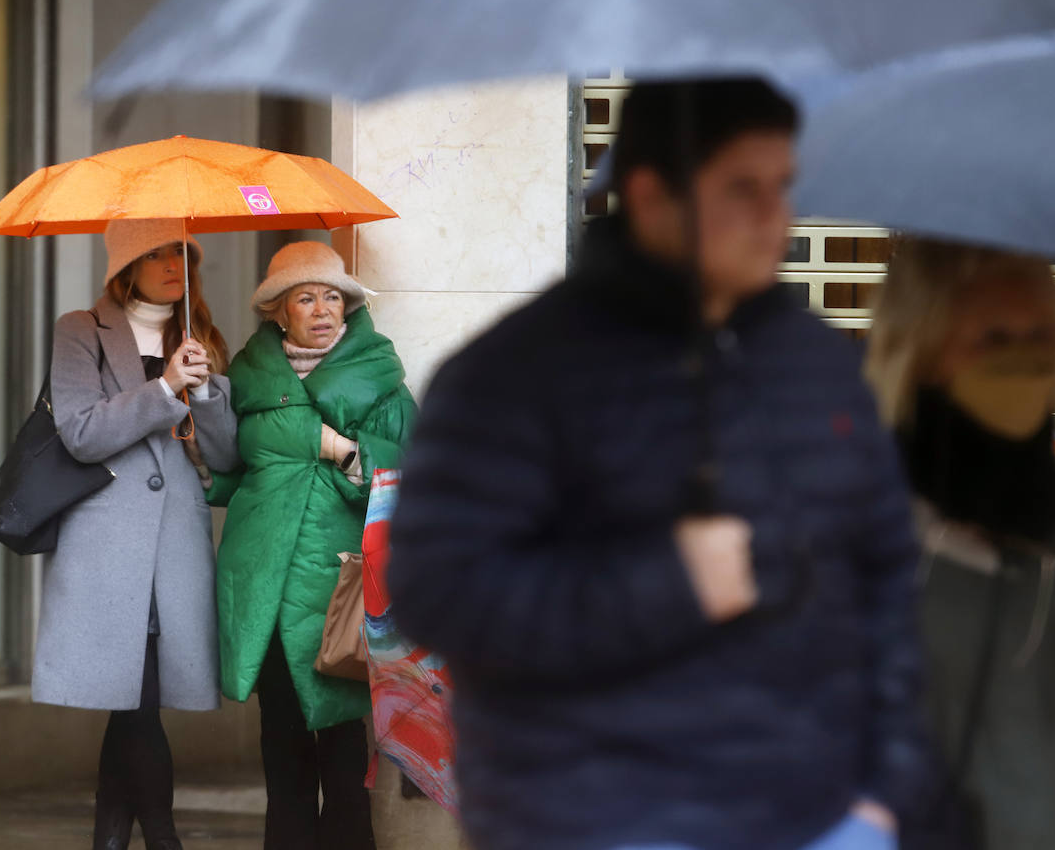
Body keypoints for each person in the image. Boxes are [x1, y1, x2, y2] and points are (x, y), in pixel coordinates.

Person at [386, 79, 930, 850]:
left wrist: (884, 792)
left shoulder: (820, 364)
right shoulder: (512, 375)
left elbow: (889, 579)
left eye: (783, 186)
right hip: (601, 818)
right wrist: (664, 583)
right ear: (649, 194)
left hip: (821, 818)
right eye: (742, 189)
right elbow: (438, 593)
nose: (777, 217)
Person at [865, 239, 1055, 850]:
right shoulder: (858, 518)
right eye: (993, 341)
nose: (1021, 363)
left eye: (1040, 337)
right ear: (922, 349)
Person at [34, 218, 239, 850]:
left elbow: (227, 457)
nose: (173, 266)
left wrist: (204, 395)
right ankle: (165, 836)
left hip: (176, 546)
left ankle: (110, 837)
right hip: (106, 545)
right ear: (125, 265)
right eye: (155, 255)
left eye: (181, 254)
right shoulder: (81, 330)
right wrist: (166, 386)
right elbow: (82, 433)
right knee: (137, 701)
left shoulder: (200, 336)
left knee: (136, 700)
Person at [213, 241, 418, 850]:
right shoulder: (246, 380)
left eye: (334, 297)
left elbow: (415, 473)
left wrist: (349, 452)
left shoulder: (379, 380)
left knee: (341, 742)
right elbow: (230, 472)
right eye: (307, 297)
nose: (323, 309)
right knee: (281, 743)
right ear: (279, 310)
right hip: (263, 583)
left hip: (340, 586)